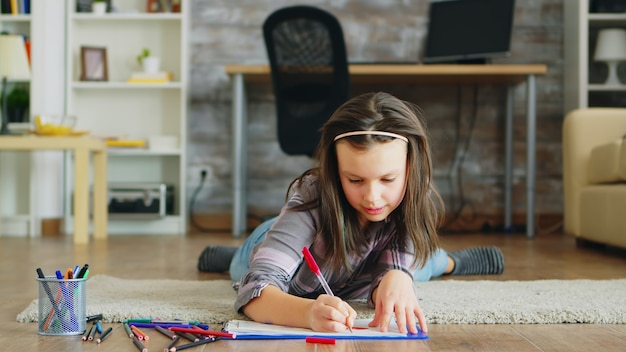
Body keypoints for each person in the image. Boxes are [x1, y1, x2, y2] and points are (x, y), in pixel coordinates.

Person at [198, 92, 504, 335]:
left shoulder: (409, 196)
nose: (373, 197)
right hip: (284, 253)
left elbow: (400, 264)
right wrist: (306, 313)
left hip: (364, 266)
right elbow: (255, 288)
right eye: (355, 180)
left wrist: (397, 277)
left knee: (420, 267)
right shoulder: (312, 196)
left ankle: (453, 262)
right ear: (335, 171)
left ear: (411, 169)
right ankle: (229, 255)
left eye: (387, 179)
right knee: (242, 267)